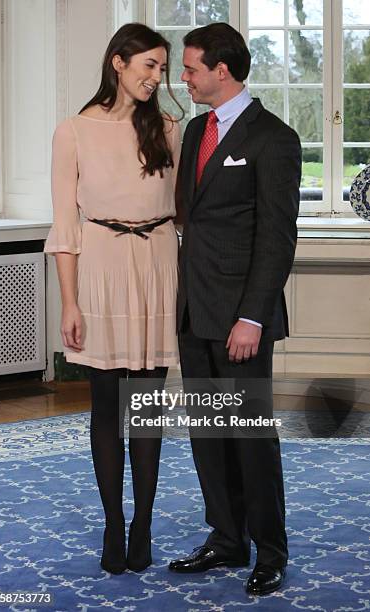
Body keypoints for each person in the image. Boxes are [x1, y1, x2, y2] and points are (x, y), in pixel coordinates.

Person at [169, 23, 301, 596]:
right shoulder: (197, 129)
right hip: (193, 313)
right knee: (208, 433)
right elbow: (189, 218)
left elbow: (277, 239)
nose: (184, 77)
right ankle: (226, 538)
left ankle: (270, 551)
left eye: (192, 67)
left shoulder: (275, 139)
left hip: (240, 320)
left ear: (222, 70)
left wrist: (251, 316)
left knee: (250, 438)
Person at [44, 23, 182, 575]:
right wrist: (69, 304)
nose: (157, 77)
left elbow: (186, 213)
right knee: (107, 406)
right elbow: (64, 228)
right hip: (100, 265)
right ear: (118, 62)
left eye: (164, 68)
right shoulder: (72, 131)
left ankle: (144, 523)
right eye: (149, 65)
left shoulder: (168, 128)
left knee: (146, 408)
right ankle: (113, 521)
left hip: (156, 265)